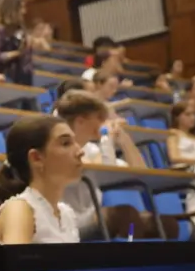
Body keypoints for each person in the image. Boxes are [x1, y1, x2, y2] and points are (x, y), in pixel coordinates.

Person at [56, 91, 159, 240]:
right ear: (80, 121)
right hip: (71, 226)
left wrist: (123, 139)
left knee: (165, 224)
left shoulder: (92, 149)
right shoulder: (59, 148)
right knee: (125, 215)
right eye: (99, 118)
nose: (104, 123)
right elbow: (107, 172)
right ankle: (127, 256)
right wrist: (107, 139)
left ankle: (132, 248)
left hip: (94, 219)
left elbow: (141, 173)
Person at [0, 115, 83, 244]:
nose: (80, 151)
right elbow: (16, 264)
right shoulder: (19, 209)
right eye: (66, 143)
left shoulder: (67, 214)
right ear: (36, 158)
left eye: (75, 142)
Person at [0, 0, 33, 86]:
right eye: (21, 8)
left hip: (25, 75)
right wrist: (16, 53)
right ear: (12, 9)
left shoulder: (21, 29)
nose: (24, 11)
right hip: (8, 77)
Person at [168, 101, 195, 168]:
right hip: (183, 170)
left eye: (194, 114)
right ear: (177, 117)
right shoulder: (173, 134)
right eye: (188, 114)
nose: (193, 118)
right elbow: (174, 158)